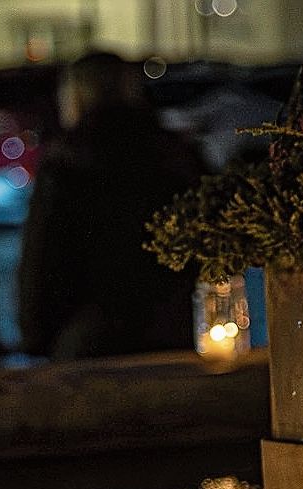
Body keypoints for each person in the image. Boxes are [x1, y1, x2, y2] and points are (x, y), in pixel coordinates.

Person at [16, 52, 204, 359]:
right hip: (172, 330)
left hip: (89, 338)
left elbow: (43, 256)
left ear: (74, 96)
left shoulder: (67, 163)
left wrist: (35, 335)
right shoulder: (174, 155)